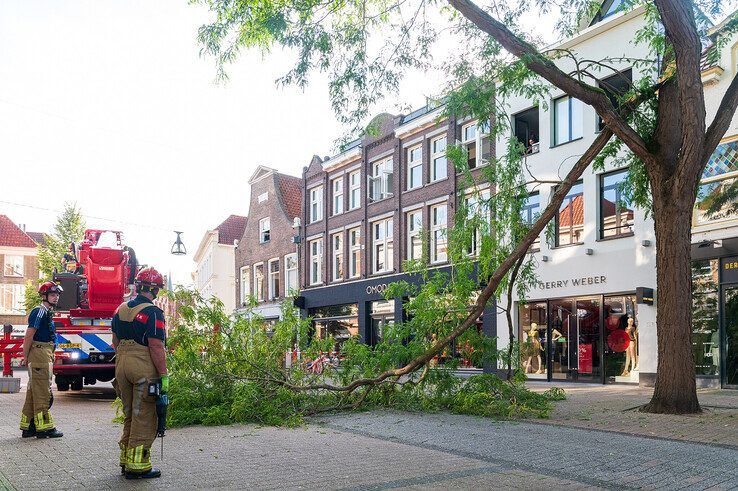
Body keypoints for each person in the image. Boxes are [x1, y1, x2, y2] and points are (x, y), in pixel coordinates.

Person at [112, 267, 167, 479]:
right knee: (143, 414)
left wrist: (125, 358)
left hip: (122, 365)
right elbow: (155, 345)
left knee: (129, 414)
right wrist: (163, 374)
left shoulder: (120, 309)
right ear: (154, 289)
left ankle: (126, 460)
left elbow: (115, 342)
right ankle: (138, 466)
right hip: (142, 366)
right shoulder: (153, 313)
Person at [20, 281, 65, 439]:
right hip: (40, 353)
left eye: (57, 295)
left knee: (33, 392)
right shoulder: (40, 311)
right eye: (53, 295)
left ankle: (29, 426)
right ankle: (44, 428)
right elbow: (29, 335)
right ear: (44, 296)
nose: (56, 297)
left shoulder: (46, 312)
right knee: (43, 393)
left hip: (43, 352)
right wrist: (25, 356)